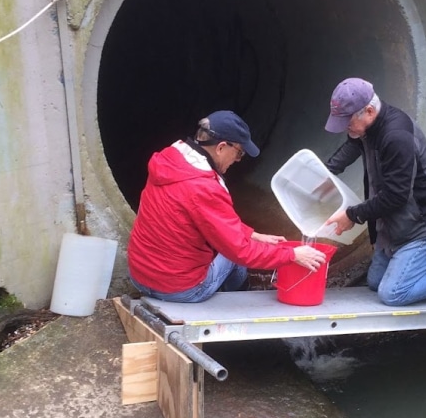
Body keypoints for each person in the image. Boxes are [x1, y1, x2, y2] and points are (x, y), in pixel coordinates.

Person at [128, 110, 327, 302]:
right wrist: (292, 255)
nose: (238, 160)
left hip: (140, 277)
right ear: (221, 147)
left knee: (229, 243)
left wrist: (252, 235)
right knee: (231, 256)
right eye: (238, 153)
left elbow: (211, 220)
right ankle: (240, 298)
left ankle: (225, 290)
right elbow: (240, 250)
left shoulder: (169, 160)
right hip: (179, 290)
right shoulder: (205, 187)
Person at [322, 78, 426, 306]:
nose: (344, 128)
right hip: (399, 227)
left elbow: (396, 196)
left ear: (368, 111)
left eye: (346, 122)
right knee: (375, 281)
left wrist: (353, 215)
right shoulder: (367, 128)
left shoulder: (396, 136)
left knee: (392, 293)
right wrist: (325, 173)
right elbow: (353, 145)